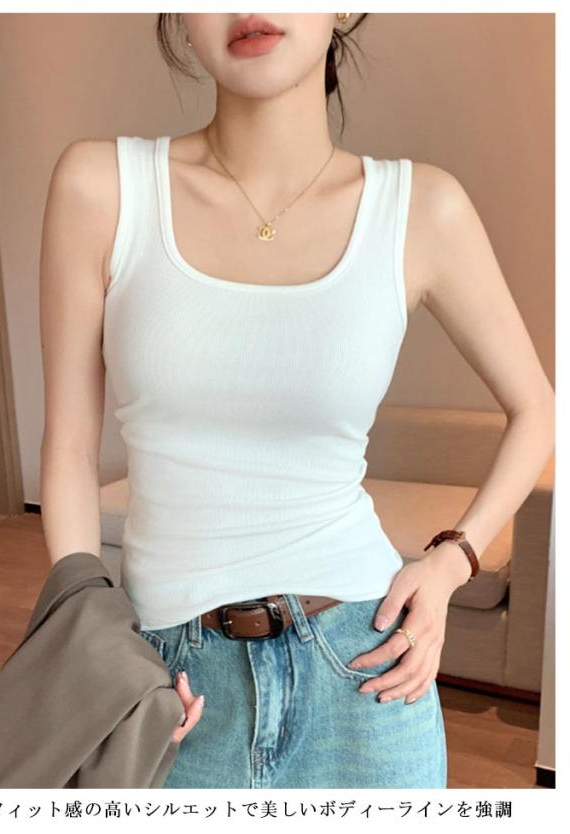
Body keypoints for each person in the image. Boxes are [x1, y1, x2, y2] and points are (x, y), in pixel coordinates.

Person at [39, 13, 555, 789]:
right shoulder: (100, 187)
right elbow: (71, 449)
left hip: (365, 671)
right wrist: (90, 638)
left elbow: (539, 409)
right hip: (168, 681)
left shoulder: (423, 207)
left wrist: (453, 562)